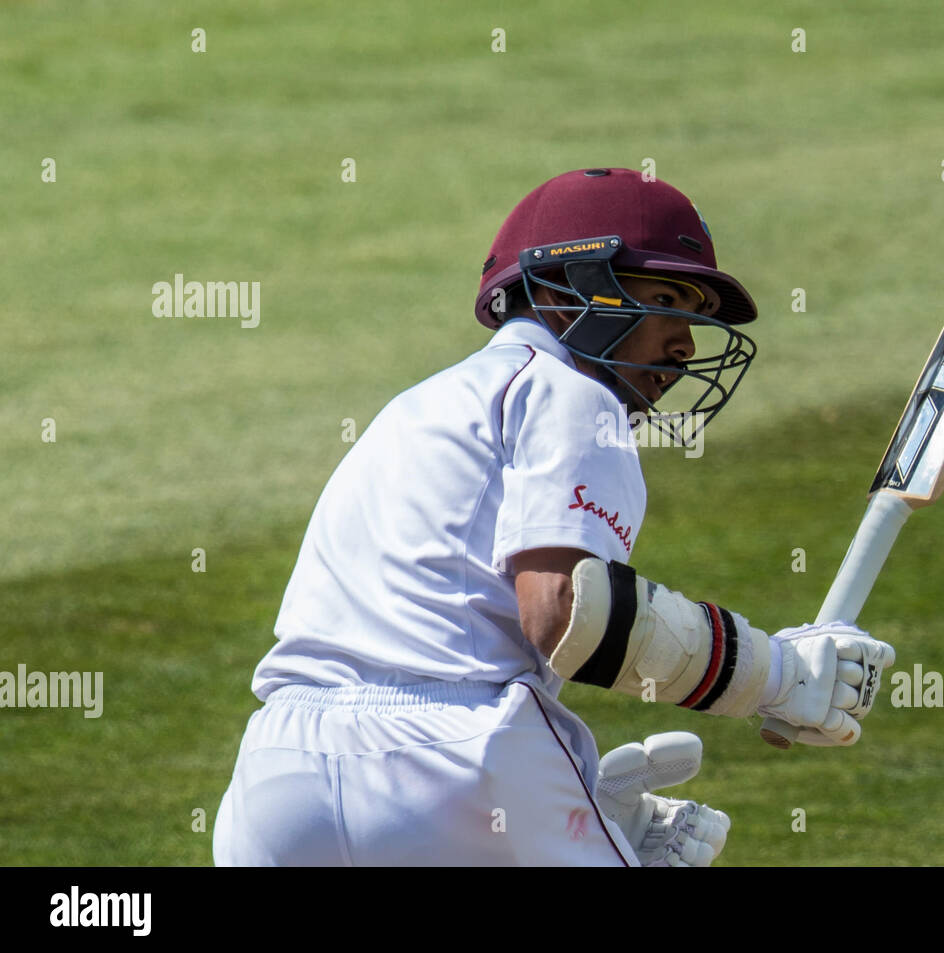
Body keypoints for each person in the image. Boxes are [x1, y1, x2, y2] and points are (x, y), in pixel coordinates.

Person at [213, 168, 895, 867]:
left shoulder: (411, 409)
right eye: (665, 300)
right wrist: (776, 674)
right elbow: (566, 609)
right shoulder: (570, 393)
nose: (687, 345)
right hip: (458, 759)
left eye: (692, 315)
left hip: (276, 776)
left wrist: (572, 814)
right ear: (567, 289)